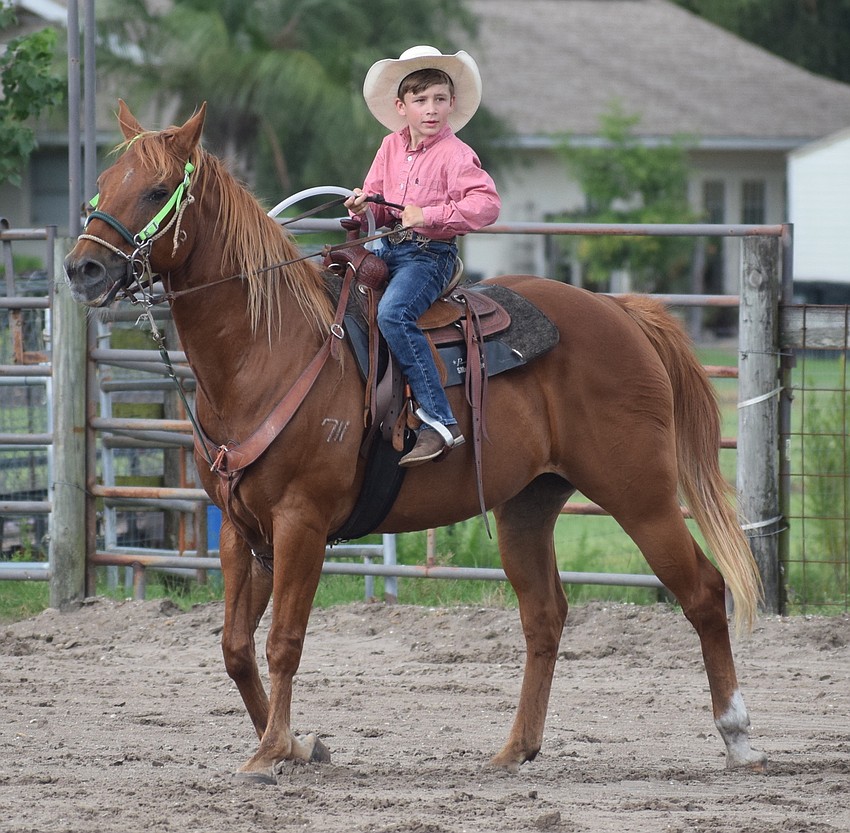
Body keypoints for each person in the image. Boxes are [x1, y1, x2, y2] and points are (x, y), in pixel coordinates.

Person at [346, 45, 501, 467]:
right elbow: (377, 206)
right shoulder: (389, 148)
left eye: (439, 99)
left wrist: (428, 215)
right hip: (386, 249)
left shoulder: (456, 154)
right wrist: (362, 206)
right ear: (402, 107)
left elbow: (487, 204)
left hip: (429, 255)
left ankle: (440, 420)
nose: (430, 109)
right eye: (420, 100)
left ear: (452, 103)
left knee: (394, 314)